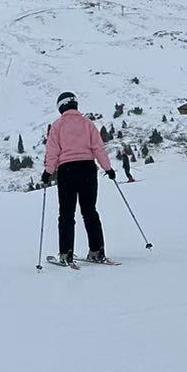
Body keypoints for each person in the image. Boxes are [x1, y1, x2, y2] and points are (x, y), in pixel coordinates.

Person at [42, 91, 115, 264]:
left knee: (66, 214)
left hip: (67, 171)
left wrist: (48, 172)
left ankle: (66, 254)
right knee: (90, 211)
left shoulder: (57, 126)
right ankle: (97, 251)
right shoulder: (87, 123)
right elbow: (98, 148)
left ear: (61, 107)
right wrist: (108, 168)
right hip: (87, 169)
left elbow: (52, 152)